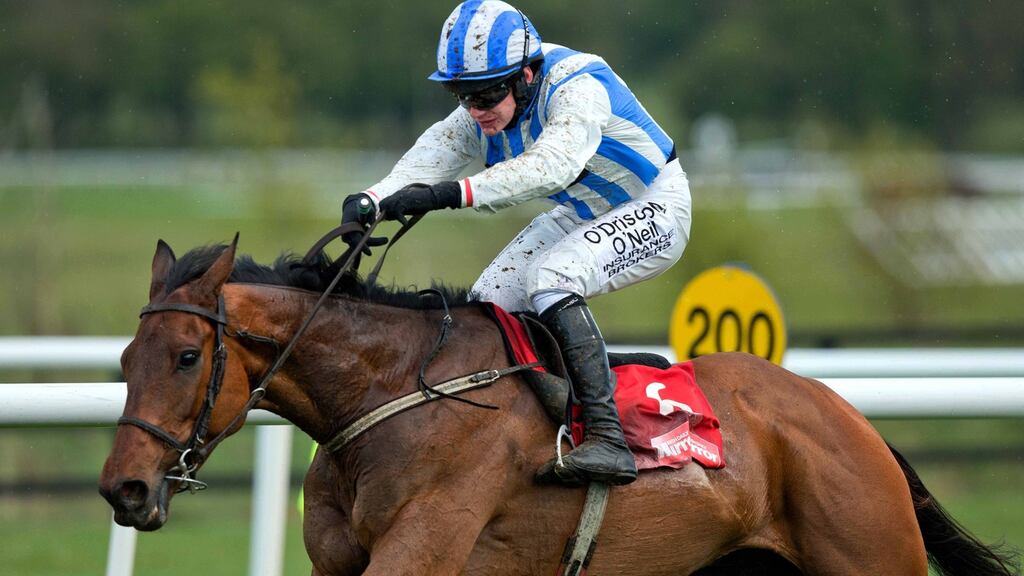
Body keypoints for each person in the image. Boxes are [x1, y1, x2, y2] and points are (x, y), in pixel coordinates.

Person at [341, 0, 692, 487]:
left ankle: (610, 441)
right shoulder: (483, 106)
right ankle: (540, 417)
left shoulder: (577, 86)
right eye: (462, 95)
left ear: (527, 75)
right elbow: (425, 163)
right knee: (490, 305)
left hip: (657, 205)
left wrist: (453, 194)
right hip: (585, 209)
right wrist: (370, 202)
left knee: (551, 278)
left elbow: (553, 166)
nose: (474, 110)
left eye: (485, 95)